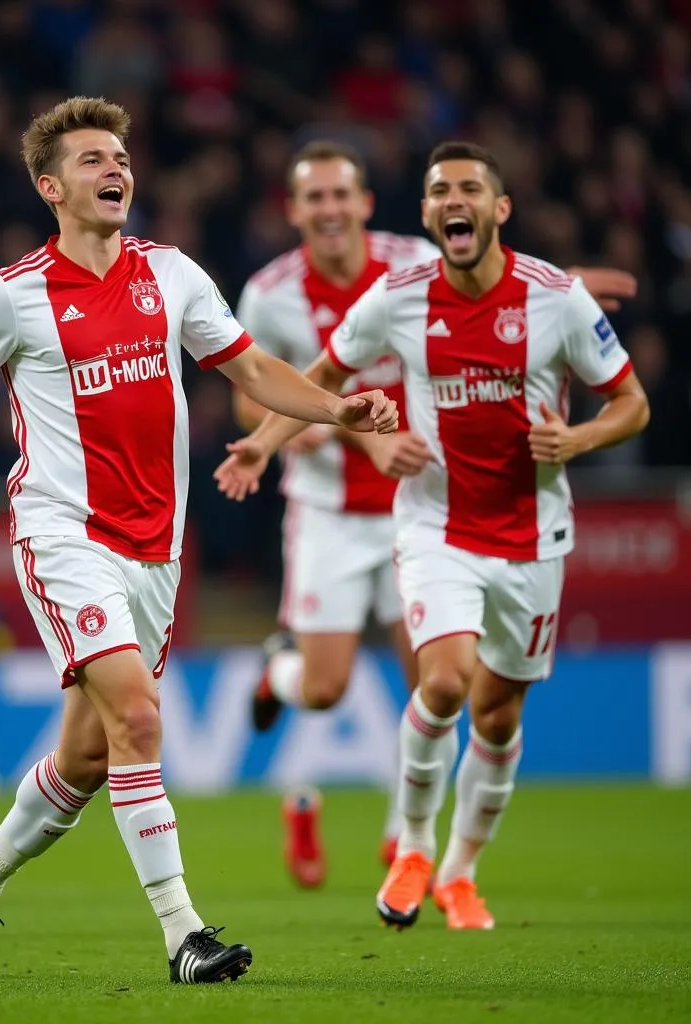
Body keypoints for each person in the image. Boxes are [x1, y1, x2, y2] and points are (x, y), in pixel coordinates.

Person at [0, 96, 398, 984]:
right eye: (90, 160)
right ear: (50, 187)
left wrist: (336, 407)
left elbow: (248, 365)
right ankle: (184, 935)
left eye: (119, 155)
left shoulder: (172, 272)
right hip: (62, 530)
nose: (113, 168)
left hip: (155, 544)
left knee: (86, 757)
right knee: (136, 716)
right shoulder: (12, 295)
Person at [214, 140, 649, 931]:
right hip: (410, 516)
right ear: (296, 211)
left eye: (470, 189)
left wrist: (577, 431)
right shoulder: (323, 294)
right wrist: (266, 442)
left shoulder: (531, 292)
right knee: (406, 684)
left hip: (530, 532)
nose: (331, 211)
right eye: (442, 190)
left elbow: (621, 392)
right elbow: (295, 384)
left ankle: (457, 871)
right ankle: (408, 845)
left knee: (496, 713)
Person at [234, 140, 440, 886]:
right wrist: (344, 430)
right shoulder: (271, 293)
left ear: (364, 203)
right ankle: (273, 673)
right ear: (292, 210)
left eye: (339, 195)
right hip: (326, 510)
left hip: (417, 505)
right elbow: (246, 394)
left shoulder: (414, 262)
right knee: (323, 689)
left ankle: (404, 840)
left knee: (436, 684)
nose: (328, 209)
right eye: (312, 198)